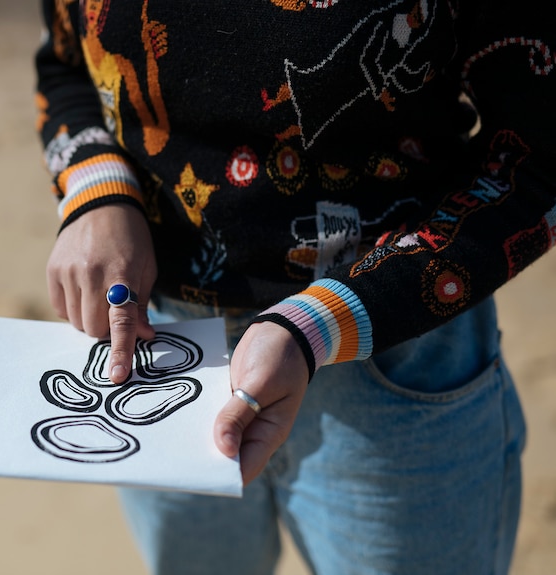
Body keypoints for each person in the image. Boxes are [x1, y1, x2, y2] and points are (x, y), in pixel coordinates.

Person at [34, 1, 555, 573]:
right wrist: (97, 192)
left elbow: (538, 160)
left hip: (395, 360)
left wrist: (319, 325)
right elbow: (64, 63)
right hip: (157, 346)